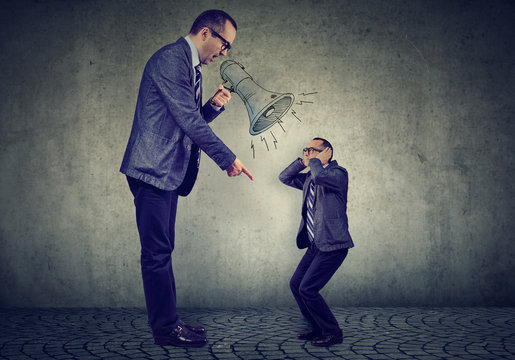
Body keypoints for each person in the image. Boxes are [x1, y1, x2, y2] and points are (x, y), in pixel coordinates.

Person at [120, 9, 253, 347]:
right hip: (152, 170)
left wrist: (212, 108)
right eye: (225, 44)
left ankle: (171, 323)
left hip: (165, 172)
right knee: (156, 254)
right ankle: (166, 330)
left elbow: (186, 122)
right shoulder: (171, 60)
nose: (224, 53)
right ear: (206, 34)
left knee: (163, 251)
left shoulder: (188, 65)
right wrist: (227, 158)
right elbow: (189, 124)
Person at [278, 137, 354, 347]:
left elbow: (321, 176)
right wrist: (302, 162)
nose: (307, 153)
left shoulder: (338, 174)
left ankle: (333, 332)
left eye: (311, 150)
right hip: (316, 244)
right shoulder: (311, 176)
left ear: (326, 152)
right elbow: (284, 177)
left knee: (308, 289)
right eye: (306, 149)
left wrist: (315, 162)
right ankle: (317, 328)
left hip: (334, 245)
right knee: (296, 285)